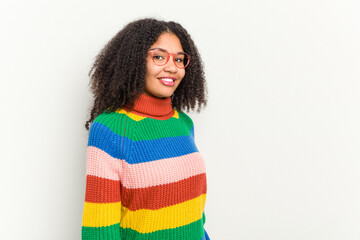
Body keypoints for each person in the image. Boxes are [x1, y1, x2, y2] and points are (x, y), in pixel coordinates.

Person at [81, 18, 210, 240]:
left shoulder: (183, 123)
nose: (172, 67)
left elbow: (195, 216)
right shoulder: (111, 129)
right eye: (158, 57)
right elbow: (99, 230)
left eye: (179, 59)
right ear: (134, 61)